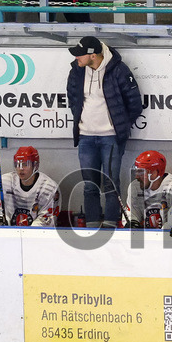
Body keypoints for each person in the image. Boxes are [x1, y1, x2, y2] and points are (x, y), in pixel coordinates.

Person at [67, 36, 143, 228]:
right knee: (89, 185)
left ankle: (111, 224)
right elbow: (72, 98)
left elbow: (134, 103)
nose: (77, 58)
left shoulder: (118, 70)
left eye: (80, 55)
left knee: (111, 184)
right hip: (85, 137)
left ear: (93, 55)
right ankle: (92, 225)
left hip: (110, 138)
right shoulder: (76, 71)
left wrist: (119, 125)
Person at [0, 146, 60, 227]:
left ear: (35, 165)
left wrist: (27, 234)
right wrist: (1, 220)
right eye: (18, 164)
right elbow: (0, 211)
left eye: (25, 164)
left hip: (37, 236)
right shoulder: (4, 182)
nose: (21, 169)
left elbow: (46, 220)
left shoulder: (49, 188)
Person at [122, 150, 172, 230]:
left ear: (154, 173)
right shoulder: (135, 187)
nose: (137, 176)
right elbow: (131, 213)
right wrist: (132, 222)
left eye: (141, 173)